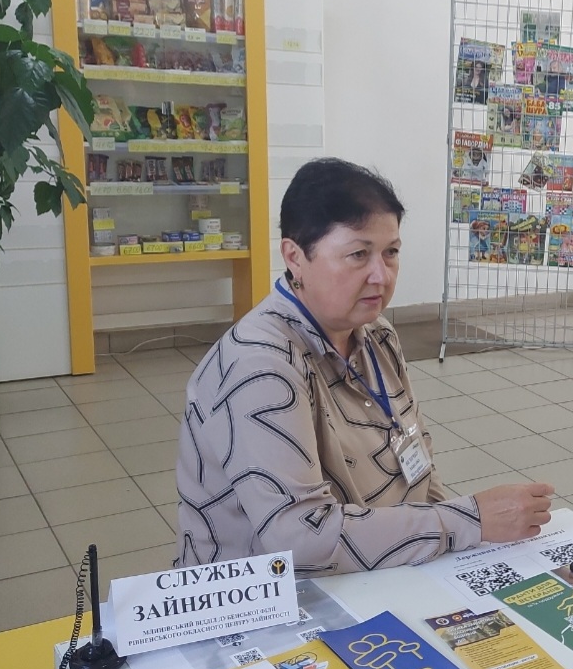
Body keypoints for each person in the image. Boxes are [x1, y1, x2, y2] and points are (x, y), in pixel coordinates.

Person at [175, 158, 553, 574]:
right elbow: (303, 539)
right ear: (295, 257)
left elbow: (421, 472)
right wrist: (468, 521)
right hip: (274, 594)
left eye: (391, 252)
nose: (381, 275)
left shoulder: (376, 335)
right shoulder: (260, 366)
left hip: (380, 571)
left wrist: (458, 556)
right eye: (358, 254)